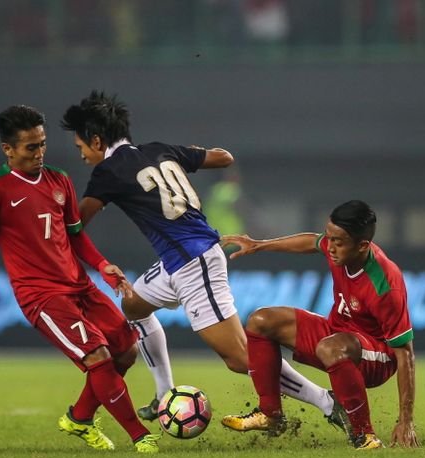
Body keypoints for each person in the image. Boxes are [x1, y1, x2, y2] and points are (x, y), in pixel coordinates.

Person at [60, 90, 348, 432]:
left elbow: (76, 224)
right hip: (175, 262)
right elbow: (224, 158)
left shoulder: (108, 171)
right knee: (134, 307)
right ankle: (164, 391)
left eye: (81, 148)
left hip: (194, 263)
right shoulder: (160, 151)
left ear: (96, 140)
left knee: (240, 357)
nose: (82, 156)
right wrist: (186, 157)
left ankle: (328, 402)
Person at [0, 105, 160, 453]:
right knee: (97, 356)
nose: (39, 153)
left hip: (79, 285)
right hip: (42, 296)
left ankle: (79, 418)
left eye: (42, 144)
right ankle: (140, 436)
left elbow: (75, 235)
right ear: (8, 149)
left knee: (126, 350)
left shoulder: (59, 180)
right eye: (30, 147)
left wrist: (102, 265)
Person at [221, 200, 418, 450]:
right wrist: (259, 245)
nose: (330, 247)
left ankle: (364, 434)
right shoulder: (335, 244)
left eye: (338, 242)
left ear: (362, 246)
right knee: (261, 320)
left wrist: (406, 421)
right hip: (336, 333)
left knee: (331, 348)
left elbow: (405, 354)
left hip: (377, 356)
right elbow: (311, 241)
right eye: (329, 236)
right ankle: (270, 415)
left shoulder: (385, 285)